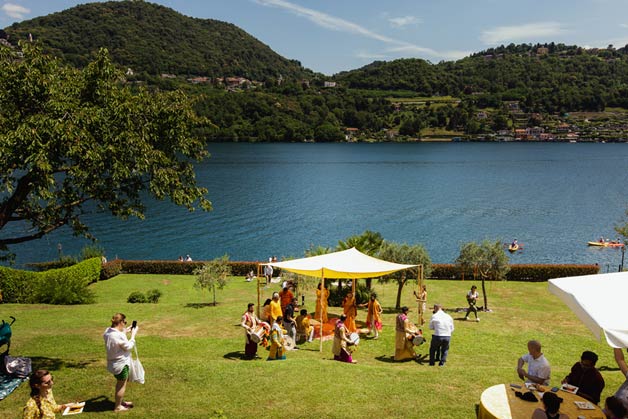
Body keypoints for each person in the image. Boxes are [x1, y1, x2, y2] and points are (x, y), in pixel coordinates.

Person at [103, 312, 138, 412]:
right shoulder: (118, 336)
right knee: (121, 385)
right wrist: (133, 335)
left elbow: (116, 337)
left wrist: (126, 331)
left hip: (113, 363)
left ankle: (120, 401)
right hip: (121, 364)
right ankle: (118, 407)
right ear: (121, 322)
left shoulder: (107, 332)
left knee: (121, 383)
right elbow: (128, 346)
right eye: (125, 322)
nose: (125, 324)